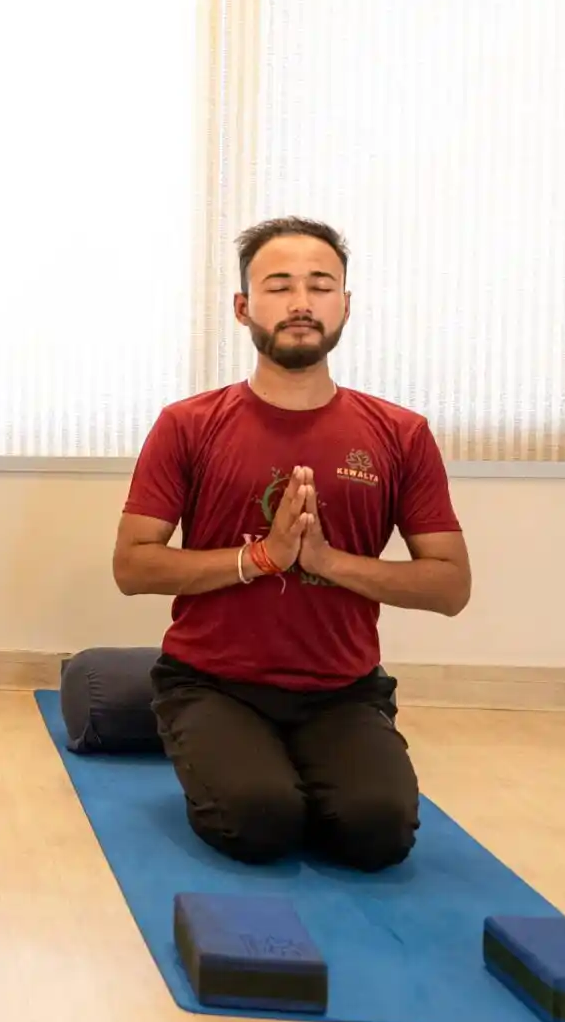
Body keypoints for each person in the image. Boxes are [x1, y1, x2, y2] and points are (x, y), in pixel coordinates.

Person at [112, 218, 471, 871]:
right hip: (212, 683)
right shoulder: (188, 424)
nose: (301, 302)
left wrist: (328, 563)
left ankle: (298, 770)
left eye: (320, 286)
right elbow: (132, 566)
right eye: (279, 287)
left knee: (379, 834)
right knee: (259, 824)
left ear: (345, 306)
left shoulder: (401, 433)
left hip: (343, 689)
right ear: (243, 307)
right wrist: (262, 559)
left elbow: (450, 585)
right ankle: (223, 752)